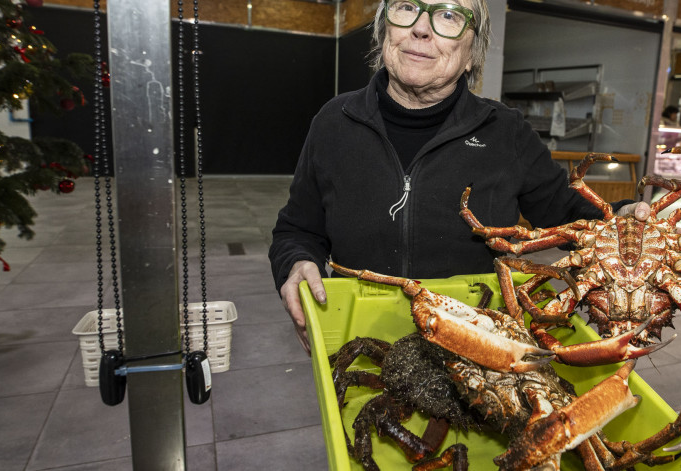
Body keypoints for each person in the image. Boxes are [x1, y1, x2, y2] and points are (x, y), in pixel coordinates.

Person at [268, 0, 647, 354]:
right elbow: (297, 230)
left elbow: (567, 214)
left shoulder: (506, 132)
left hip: (473, 343)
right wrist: (297, 261)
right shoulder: (334, 122)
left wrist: (622, 221)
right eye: (406, 7)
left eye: (449, 15)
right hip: (357, 337)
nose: (421, 28)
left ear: (471, 54)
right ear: (385, 28)